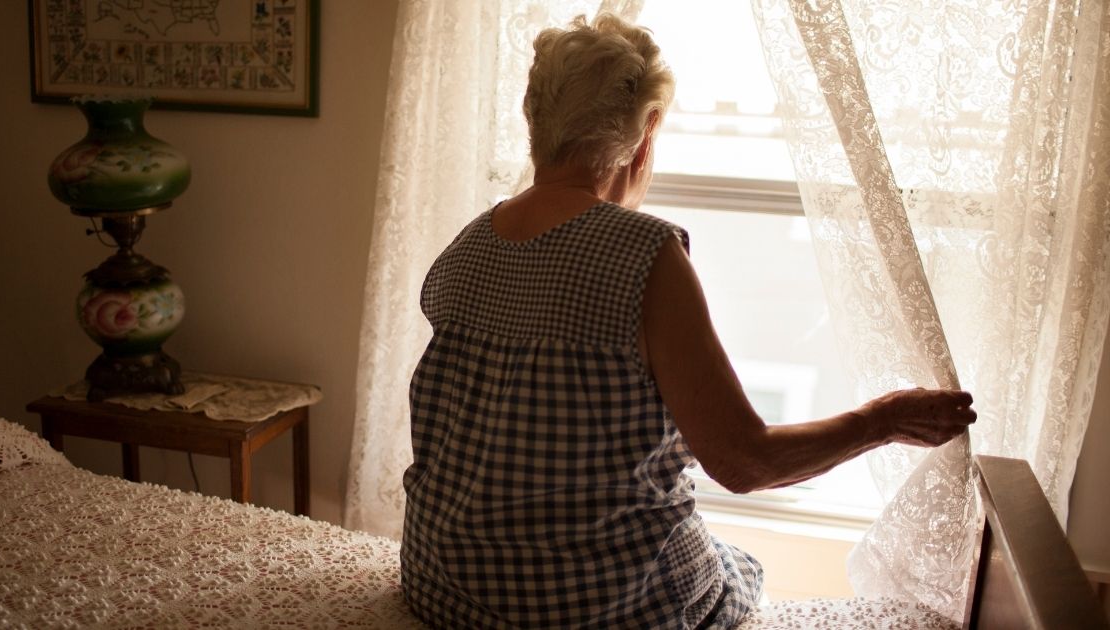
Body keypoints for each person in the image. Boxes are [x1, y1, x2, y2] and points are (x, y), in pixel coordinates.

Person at [400, 13, 976, 630]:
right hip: (580, 611)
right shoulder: (642, 250)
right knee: (740, 572)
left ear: (535, 124)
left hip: (441, 583)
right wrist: (881, 419)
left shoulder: (466, 247)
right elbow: (743, 461)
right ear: (645, 135)